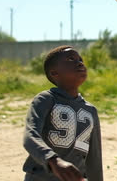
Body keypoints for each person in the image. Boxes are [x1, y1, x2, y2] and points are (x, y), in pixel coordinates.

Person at [23, 46, 103, 181]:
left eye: (80, 59)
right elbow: (30, 137)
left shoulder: (90, 110)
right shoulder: (46, 99)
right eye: (71, 59)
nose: (80, 63)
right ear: (54, 73)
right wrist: (53, 161)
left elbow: (94, 158)